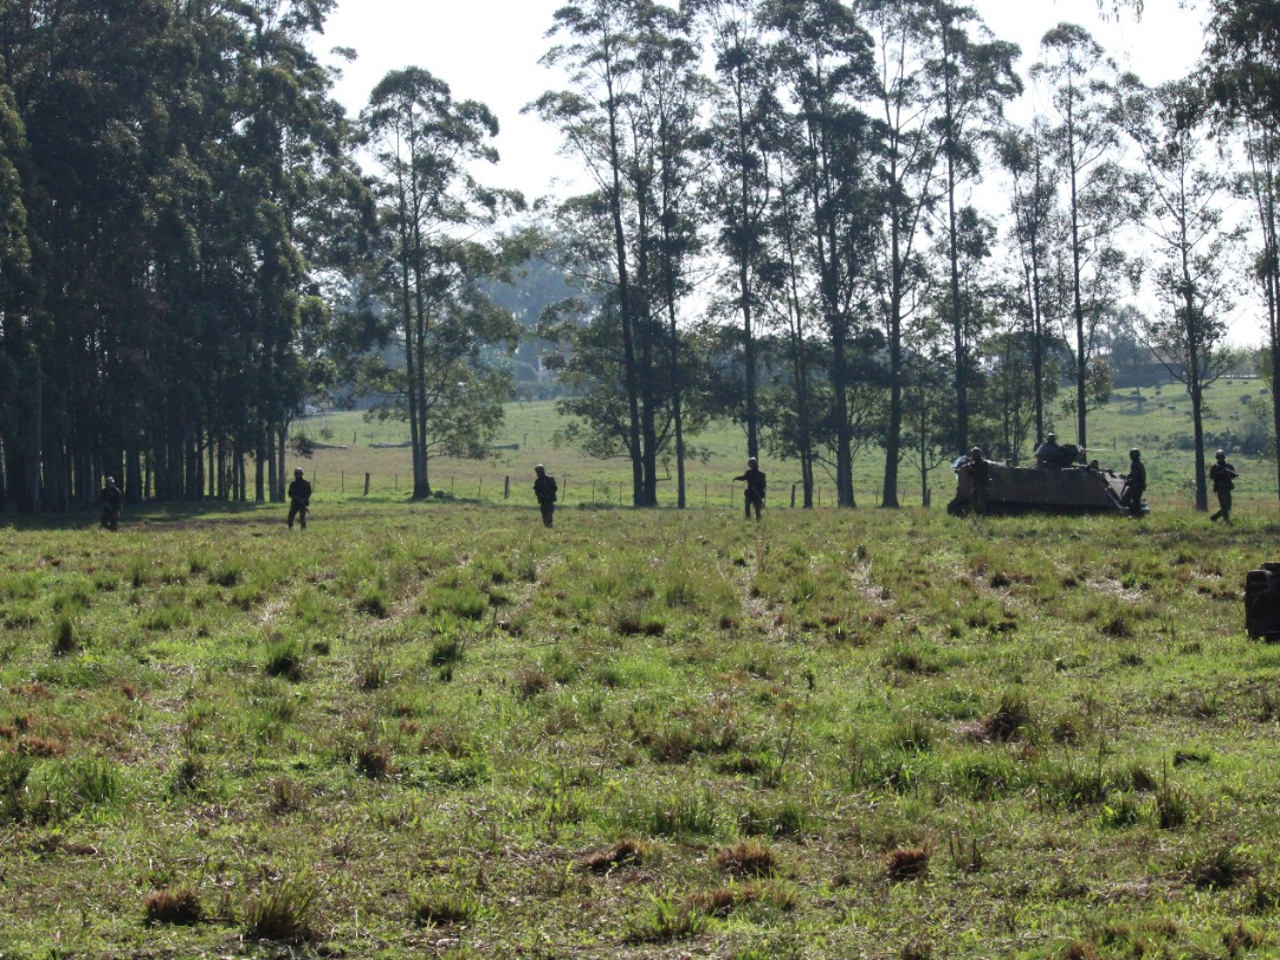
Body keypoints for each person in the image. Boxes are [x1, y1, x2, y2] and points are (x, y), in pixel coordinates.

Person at [733, 456, 767, 521]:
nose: (750, 466)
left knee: (758, 509)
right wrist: (737, 478)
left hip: (758, 494)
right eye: (750, 464)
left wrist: (758, 490)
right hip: (750, 493)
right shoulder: (748, 473)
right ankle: (748, 520)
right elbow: (743, 478)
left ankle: (758, 522)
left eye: (751, 464)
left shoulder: (761, 474)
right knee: (747, 507)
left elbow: (764, 486)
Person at [1209, 449, 1238, 522]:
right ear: (1217, 458)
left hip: (1227, 489)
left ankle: (1223, 520)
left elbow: (1233, 475)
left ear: (1224, 457)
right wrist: (1220, 473)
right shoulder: (1215, 467)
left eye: (1221, 457)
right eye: (1219, 457)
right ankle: (1215, 518)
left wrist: (1232, 474)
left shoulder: (1229, 466)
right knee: (1225, 507)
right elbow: (1212, 476)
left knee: (1228, 507)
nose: (1220, 458)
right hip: (1220, 489)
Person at [962, 447, 991, 515]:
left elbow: (979, 473)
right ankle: (977, 518)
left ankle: (982, 517)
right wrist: (968, 469)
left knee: (980, 504)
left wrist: (971, 467)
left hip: (983, 486)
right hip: (975, 486)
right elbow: (971, 475)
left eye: (973, 454)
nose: (972, 456)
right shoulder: (974, 464)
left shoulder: (984, 463)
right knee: (974, 503)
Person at [1121, 448, 1146, 517]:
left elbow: (1136, 477)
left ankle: (1135, 513)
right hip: (1138, 486)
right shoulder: (1137, 463)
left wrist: (1128, 482)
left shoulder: (1137, 464)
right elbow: (1132, 474)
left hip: (1136, 486)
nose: (1130, 457)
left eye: (1131, 455)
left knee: (1125, 499)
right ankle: (1137, 514)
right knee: (1136, 502)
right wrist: (1126, 476)